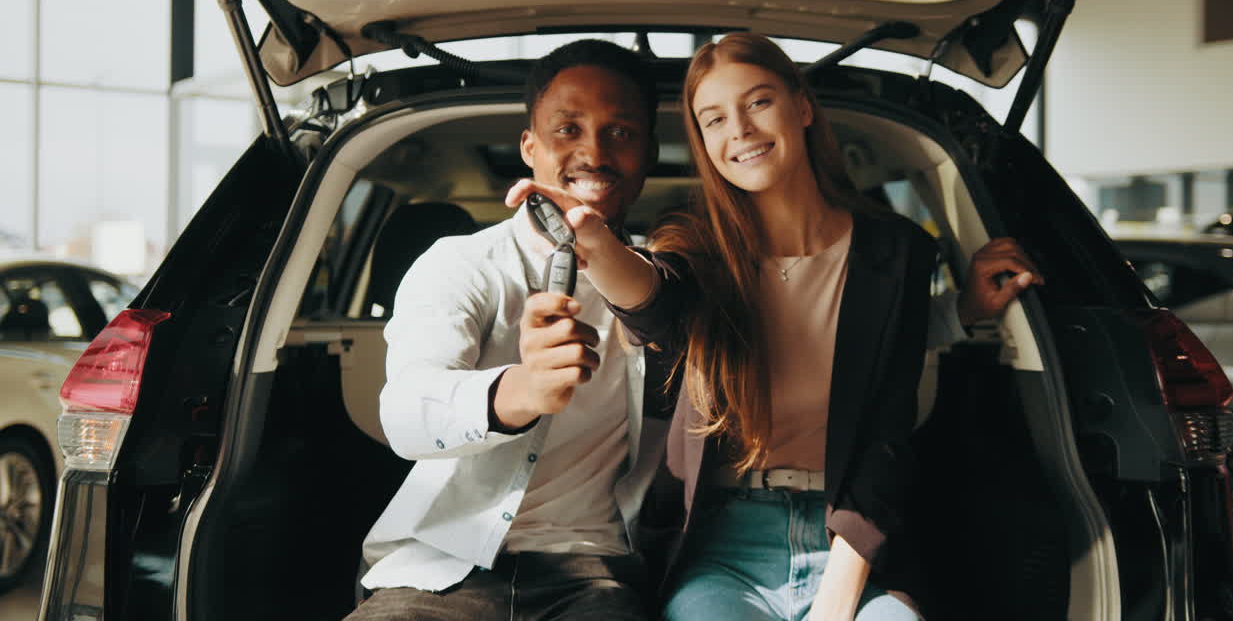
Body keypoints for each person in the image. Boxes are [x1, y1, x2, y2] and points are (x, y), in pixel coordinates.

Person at [503, 31, 1044, 621]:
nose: (739, 130)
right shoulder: (694, 246)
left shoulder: (896, 252)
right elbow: (657, 304)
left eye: (758, 102)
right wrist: (596, 244)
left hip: (851, 538)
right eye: (713, 119)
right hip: (722, 541)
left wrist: (838, 602)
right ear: (703, 142)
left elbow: (883, 441)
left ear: (802, 106)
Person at [347, 39, 666, 620]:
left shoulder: (664, 289)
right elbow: (405, 410)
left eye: (620, 132)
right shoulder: (461, 263)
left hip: (595, 571)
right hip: (440, 566)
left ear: (649, 152)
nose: (593, 152)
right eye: (567, 129)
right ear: (529, 146)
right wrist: (516, 392)